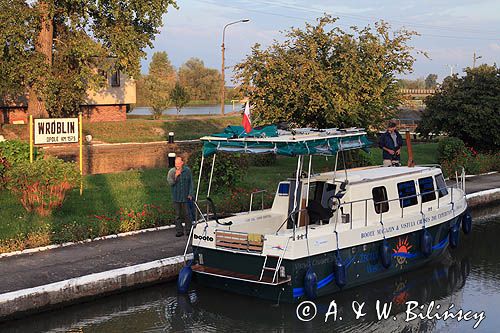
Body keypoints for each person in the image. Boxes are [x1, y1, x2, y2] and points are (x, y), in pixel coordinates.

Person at [167, 156, 194, 237]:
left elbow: (191, 183)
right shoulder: (172, 171)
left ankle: (189, 230)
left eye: (178, 163)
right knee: (177, 215)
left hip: (186, 197)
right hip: (176, 197)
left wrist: (190, 193)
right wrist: (176, 176)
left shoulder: (187, 171)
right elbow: (170, 183)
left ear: (182, 163)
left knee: (187, 214)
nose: (177, 165)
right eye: (176, 163)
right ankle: (179, 231)